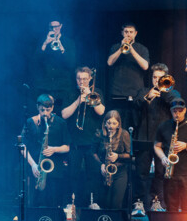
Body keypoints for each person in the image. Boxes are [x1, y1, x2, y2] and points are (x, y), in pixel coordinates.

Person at [133, 62, 181, 212]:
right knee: (142, 173)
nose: (157, 81)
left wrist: (164, 90)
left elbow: (177, 103)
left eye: (160, 78)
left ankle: (157, 200)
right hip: (144, 138)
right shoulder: (143, 91)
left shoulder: (171, 93)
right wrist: (147, 97)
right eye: (154, 77)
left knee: (161, 173)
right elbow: (135, 105)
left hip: (163, 140)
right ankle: (139, 202)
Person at [60, 66, 105, 208]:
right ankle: (73, 204)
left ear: (90, 79)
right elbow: (64, 114)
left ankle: (93, 203)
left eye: (85, 79)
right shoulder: (70, 93)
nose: (82, 81)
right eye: (79, 78)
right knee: (73, 175)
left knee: (92, 176)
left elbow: (101, 111)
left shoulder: (96, 92)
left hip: (92, 143)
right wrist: (79, 100)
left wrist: (90, 97)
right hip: (74, 143)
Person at [154, 98, 187, 213]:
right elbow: (157, 146)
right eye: (174, 111)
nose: (177, 114)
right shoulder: (163, 126)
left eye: (180, 111)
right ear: (171, 111)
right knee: (171, 209)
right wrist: (163, 157)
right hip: (170, 175)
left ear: (185, 110)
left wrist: (186, 146)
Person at [21, 94, 69, 208]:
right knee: (35, 203)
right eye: (42, 110)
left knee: (53, 202)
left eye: (48, 110)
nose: (45, 113)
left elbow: (67, 147)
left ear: (52, 108)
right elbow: (22, 146)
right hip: (36, 168)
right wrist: (33, 165)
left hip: (54, 169)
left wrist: (54, 149)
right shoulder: (30, 122)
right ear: (37, 107)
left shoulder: (60, 123)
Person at [105, 23, 150, 133]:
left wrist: (132, 50)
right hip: (118, 93)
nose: (128, 34)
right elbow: (109, 62)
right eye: (126, 32)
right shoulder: (115, 47)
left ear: (135, 34)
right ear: (122, 33)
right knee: (117, 125)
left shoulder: (142, 49)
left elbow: (145, 66)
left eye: (131, 32)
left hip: (135, 94)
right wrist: (121, 48)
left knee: (134, 126)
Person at [94, 111, 131, 211]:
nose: (111, 126)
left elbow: (130, 155)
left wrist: (118, 155)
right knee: (104, 203)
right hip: (104, 172)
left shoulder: (124, 134)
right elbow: (93, 153)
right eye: (109, 123)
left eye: (114, 123)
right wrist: (101, 165)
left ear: (119, 124)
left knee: (115, 204)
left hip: (120, 172)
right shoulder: (100, 134)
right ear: (105, 123)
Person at [36, 19, 74, 105]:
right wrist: (45, 44)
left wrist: (62, 48)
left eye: (56, 27)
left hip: (62, 88)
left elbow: (71, 64)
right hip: (45, 87)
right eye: (51, 27)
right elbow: (36, 62)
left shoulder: (69, 42)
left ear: (61, 26)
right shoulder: (42, 41)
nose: (54, 29)